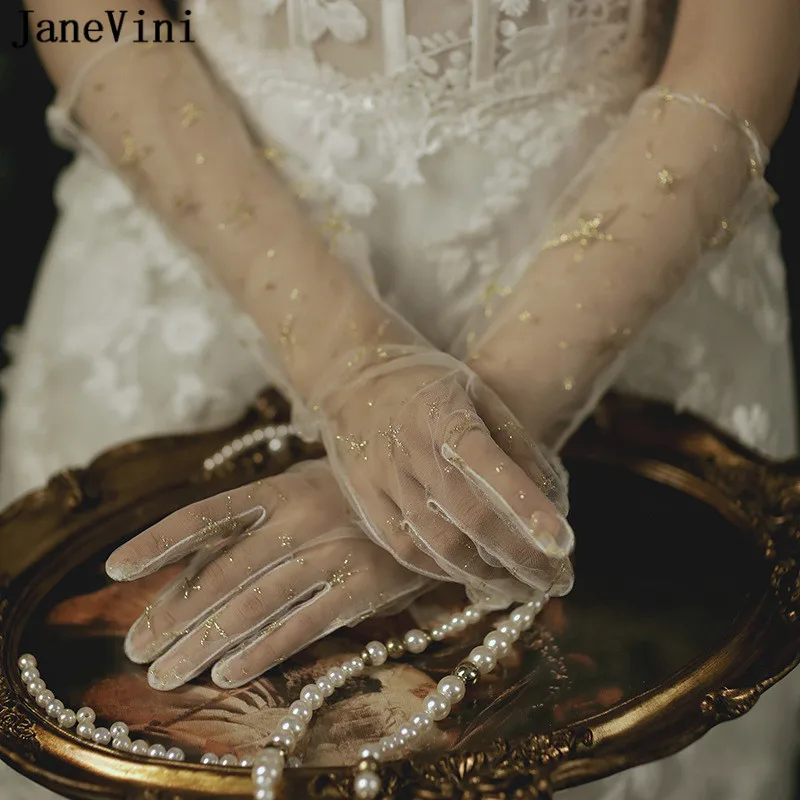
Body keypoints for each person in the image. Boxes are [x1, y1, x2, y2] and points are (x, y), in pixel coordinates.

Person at [1, 1, 799, 798]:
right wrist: (353, 366)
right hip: (203, 244)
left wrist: (459, 459)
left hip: (621, 279)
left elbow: (734, 51)